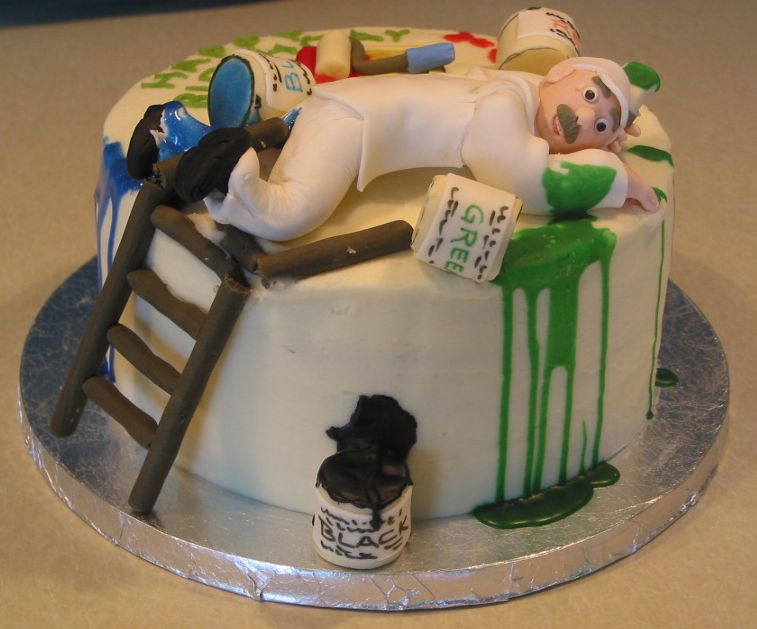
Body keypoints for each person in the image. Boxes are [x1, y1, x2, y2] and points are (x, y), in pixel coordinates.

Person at [171, 56, 659, 242]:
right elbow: (522, 178)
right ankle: (229, 165)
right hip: (355, 124)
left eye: (599, 125)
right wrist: (616, 178)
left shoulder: (511, 87)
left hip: (351, 111)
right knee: (288, 215)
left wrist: (600, 141)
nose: (581, 119)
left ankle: (175, 132)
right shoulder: (504, 104)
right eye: (588, 95)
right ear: (558, 73)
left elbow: (545, 124)